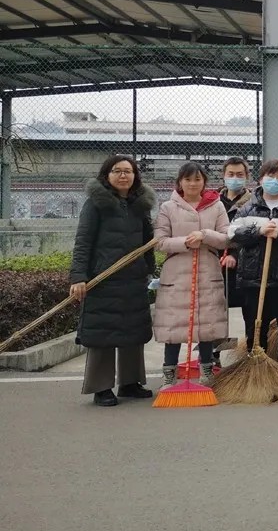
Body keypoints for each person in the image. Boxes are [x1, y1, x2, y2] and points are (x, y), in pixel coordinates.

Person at [70, 155, 156, 407]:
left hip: (133, 278)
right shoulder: (95, 204)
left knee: (133, 330)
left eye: (128, 171)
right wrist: (79, 277)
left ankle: (130, 382)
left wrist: (149, 269)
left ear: (135, 176)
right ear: (106, 175)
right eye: (117, 171)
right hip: (103, 279)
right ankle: (101, 386)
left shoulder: (140, 205)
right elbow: (83, 242)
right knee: (103, 332)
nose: (123, 175)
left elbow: (147, 242)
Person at [153, 162, 230, 387]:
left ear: (204, 182)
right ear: (180, 182)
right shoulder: (168, 207)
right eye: (188, 180)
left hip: (207, 270)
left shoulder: (216, 206)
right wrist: (185, 242)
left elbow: (227, 237)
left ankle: (207, 370)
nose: (193, 184)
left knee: (206, 323)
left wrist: (205, 235)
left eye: (197, 179)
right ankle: (169, 372)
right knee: (174, 324)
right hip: (177, 274)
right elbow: (159, 241)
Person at [228, 159, 278, 359]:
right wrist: (258, 231)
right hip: (253, 280)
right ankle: (256, 367)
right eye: (270, 176)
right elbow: (233, 233)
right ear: (261, 179)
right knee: (255, 328)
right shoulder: (248, 207)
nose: (274, 180)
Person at [218, 156, 252, 311]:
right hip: (214, 263)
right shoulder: (213, 201)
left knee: (240, 310)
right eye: (230, 174)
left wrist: (235, 254)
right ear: (224, 175)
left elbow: (254, 234)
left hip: (243, 267)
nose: (235, 178)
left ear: (247, 177)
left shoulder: (253, 203)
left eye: (239, 175)